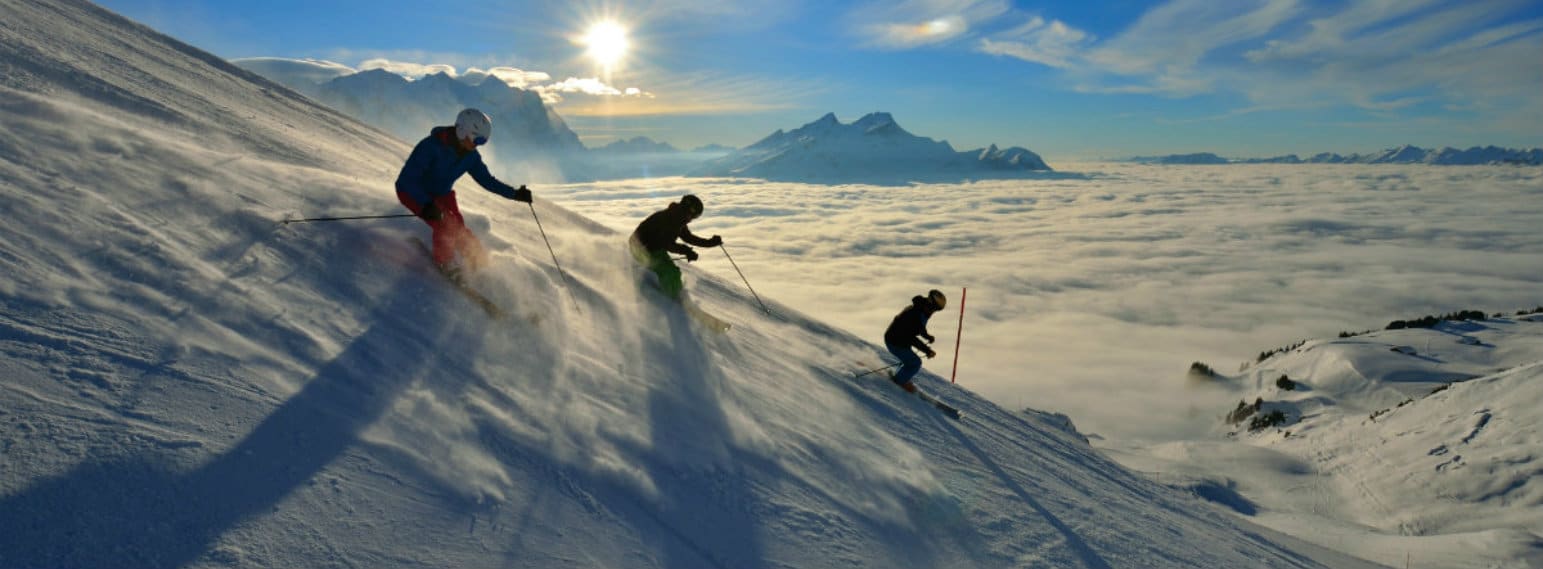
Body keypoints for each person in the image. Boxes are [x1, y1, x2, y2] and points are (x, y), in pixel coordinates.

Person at [395, 108, 533, 280]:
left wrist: (515, 194)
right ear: (462, 131)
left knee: (460, 230)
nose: (477, 144)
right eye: (477, 139)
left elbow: (487, 180)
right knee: (445, 225)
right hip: (413, 192)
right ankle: (446, 264)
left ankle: (480, 263)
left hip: (442, 195)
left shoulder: (471, 156)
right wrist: (425, 204)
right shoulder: (430, 147)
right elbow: (406, 181)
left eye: (482, 141)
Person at [628, 194, 721, 300]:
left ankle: (675, 293)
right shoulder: (670, 219)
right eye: (694, 216)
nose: (692, 219)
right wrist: (687, 251)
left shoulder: (677, 217)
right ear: (689, 211)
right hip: (640, 249)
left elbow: (688, 238)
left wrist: (711, 243)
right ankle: (671, 299)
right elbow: (667, 244)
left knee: (674, 271)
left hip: (653, 248)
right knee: (670, 272)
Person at [883, 289, 947, 393]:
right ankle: (897, 382)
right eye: (935, 308)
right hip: (894, 342)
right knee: (915, 363)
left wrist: (927, 336)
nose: (934, 311)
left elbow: (919, 328)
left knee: (910, 361)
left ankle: (899, 377)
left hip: (899, 339)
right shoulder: (915, 314)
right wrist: (927, 351)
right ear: (930, 303)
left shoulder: (921, 309)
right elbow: (911, 337)